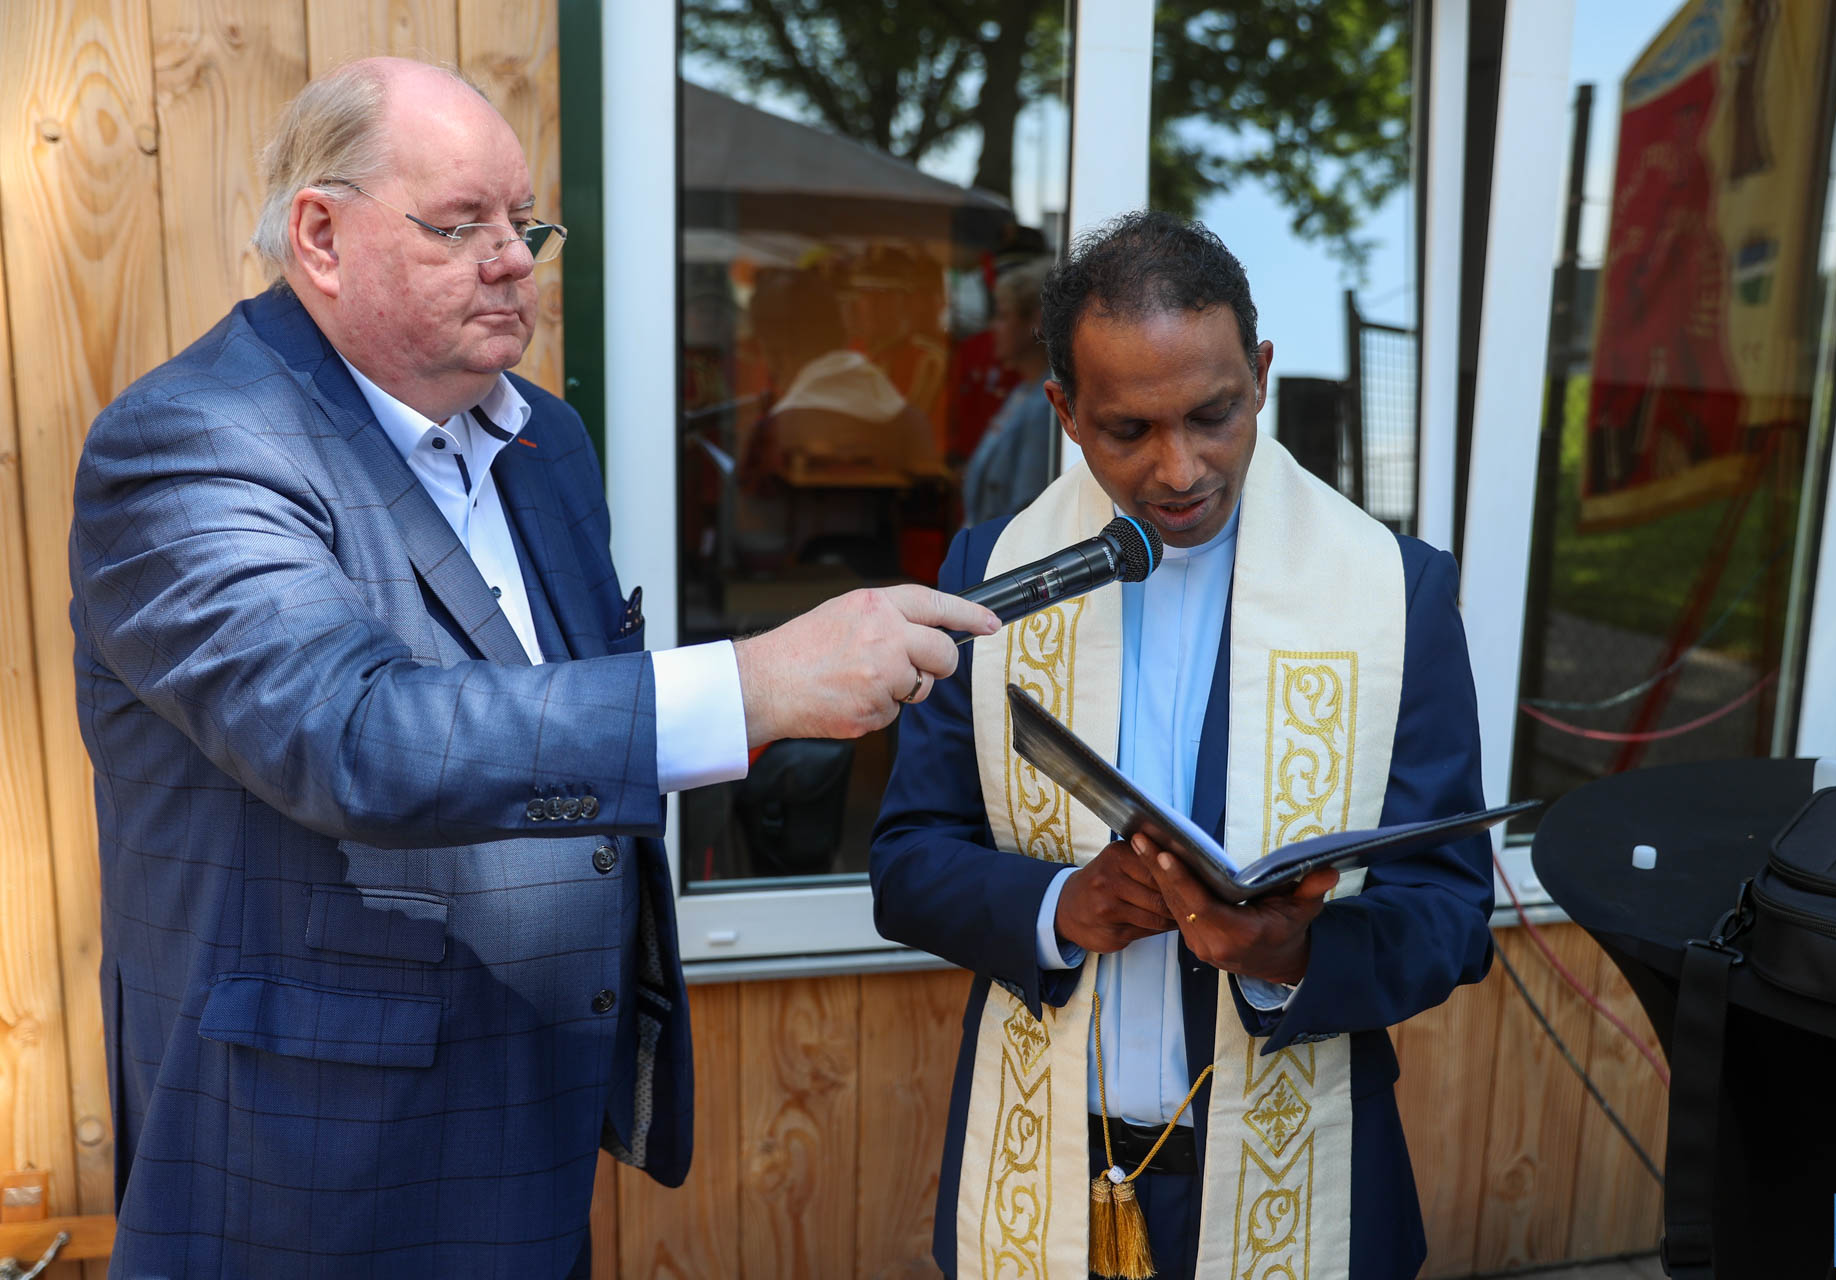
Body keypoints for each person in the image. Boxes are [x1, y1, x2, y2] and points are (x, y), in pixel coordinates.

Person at [68, 58, 995, 1278]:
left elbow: (546, 729)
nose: (514, 259)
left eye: (525, 223)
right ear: (321, 236)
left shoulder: (545, 436)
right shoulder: (193, 441)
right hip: (304, 1166)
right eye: (463, 225)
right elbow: (351, 734)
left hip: (532, 1130)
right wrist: (753, 685)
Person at [870, 212, 1494, 1280]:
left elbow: (1450, 910)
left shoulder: (1396, 592)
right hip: (1047, 1163)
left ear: (1261, 375)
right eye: (1128, 430)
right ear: (1065, 412)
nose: (1180, 467)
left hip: (1303, 1172)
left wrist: (1290, 954)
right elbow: (909, 859)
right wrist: (1058, 907)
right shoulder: (994, 572)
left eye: (1214, 414)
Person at [962, 258, 1056, 525]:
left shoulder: (1044, 406)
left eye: (1003, 316)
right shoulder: (1024, 393)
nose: (994, 327)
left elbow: (1026, 510)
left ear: (1035, 322)